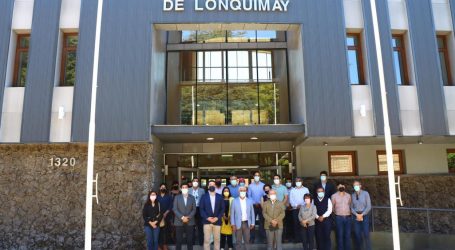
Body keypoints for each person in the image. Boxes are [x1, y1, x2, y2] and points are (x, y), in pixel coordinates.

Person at [199, 181, 225, 250]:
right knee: (207, 240)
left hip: (217, 221)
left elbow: (222, 209)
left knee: (217, 240)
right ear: (208, 187)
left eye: (213, 185)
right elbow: (201, 209)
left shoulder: (220, 197)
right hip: (207, 221)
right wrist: (207, 218)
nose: (212, 186)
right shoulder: (204, 197)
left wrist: (217, 218)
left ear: (215, 186)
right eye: (210, 185)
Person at [173, 183, 197, 250]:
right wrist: (183, 217)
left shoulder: (192, 197)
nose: (184, 188)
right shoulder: (177, 197)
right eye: (183, 187)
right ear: (181, 189)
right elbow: (175, 209)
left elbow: (194, 209)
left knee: (190, 240)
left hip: (190, 221)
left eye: (186, 187)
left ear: (188, 189)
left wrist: (188, 217)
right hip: (179, 221)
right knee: (178, 240)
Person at [351, 180, 372, 250]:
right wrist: (356, 214)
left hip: (364, 215)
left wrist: (362, 214)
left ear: (360, 185)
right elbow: (351, 207)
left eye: (357, 185)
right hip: (355, 216)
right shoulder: (352, 195)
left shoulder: (366, 194)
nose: (355, 186)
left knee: (366, 234)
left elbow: (369, 206)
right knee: (357, 234)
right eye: (354, 185)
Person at [331, 182, 352, 250]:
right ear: (337, 187)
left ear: (344, 187)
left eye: (342, 185)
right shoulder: (334, 196)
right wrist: (337, 212)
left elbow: (350, 205)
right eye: (339, 186)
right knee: (339, 235)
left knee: (348, 235)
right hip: (338, 218)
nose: (341, 187)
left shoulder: (348, 195)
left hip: (348, 217)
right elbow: (332, 207)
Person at [289, 177, 310, 243]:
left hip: (304, 209)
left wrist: (302, 205)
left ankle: (304, 239)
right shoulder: (293, 190)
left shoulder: (306, 189)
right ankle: (297, 239)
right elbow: (291, 199)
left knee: (304, 223)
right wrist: (296, 205)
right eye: (296, 181)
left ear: (302, 181)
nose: (298, 182)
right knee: (296, 224)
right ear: (295, 182)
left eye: (299, 181)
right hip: (295, 209)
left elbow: (308, 198)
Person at [247, 171, 265, 243]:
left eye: (258, 175)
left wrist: (260, 203)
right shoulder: (250, 186)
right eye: (255, 175)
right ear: (253, 177)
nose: (257, 177)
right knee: (252, 222)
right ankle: (252, 238)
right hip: (253, 206)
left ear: (260, 177)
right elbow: (249, 196)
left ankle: (263, 238)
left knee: (262, 222)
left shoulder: (263, 185)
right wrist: (254, 203)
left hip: (261, 206)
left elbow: (264, 196)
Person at [272, 175, 289, 242]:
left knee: (283, 224)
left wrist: (280, 204)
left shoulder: (284, 187)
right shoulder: (272, 187)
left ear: (280, 180)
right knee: (274, 224)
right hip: (273, 209)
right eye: (275, 178)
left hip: (282, 209)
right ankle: (275, 239)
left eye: (277, 178)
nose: (276, 179)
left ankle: (283, 238)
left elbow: (286, 197)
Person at [157, 184, 173, 250]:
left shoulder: (169, 196)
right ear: (159, 188)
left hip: (167, 216)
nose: (163, 188)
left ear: (166, 188)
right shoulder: (157, 197)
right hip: (158, 217)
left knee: (166, 231)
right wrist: (160, 214)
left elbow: (171, 205)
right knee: (159, 231)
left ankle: (165, 245)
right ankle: (159, 246)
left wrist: (166, 213)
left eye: (164, 187)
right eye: (162, 187)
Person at [191, 178, 205, 246]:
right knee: (191, 226)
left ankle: (201, 242)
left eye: (197, 181)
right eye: (194, 181)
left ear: (198, 183)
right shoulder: (188, 190)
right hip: (191, 209)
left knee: (200, 226)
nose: (195, 182)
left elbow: (204, 200)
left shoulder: (202, 190)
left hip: (199, 209)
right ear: (192, 182)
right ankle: (192, 242)